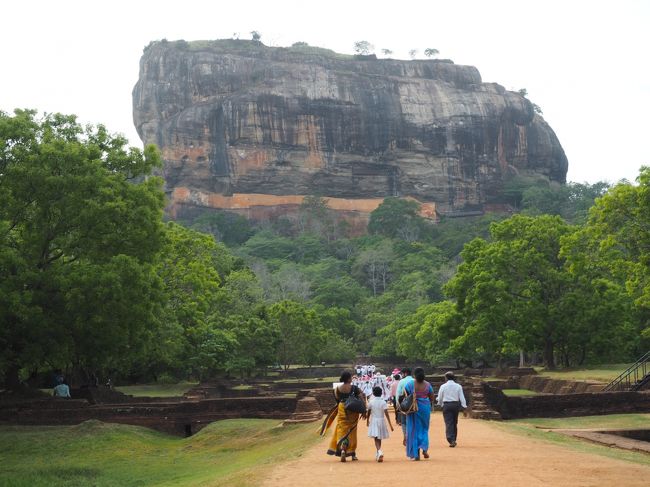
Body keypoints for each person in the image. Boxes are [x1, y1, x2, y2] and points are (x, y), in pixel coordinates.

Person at [322, 371, 367, 462]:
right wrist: (364, 409)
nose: (351, 379)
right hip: (352, 410)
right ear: (348, 379)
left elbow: (337, 400)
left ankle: (343, 448)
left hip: (342, 408)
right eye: (350, 377)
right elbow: (362, 395)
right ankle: (352, 454)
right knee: (352, 432)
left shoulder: (337, 389)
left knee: (342, 430)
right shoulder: (354, 388)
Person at [403, 367, 435, 460]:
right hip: (425, 408)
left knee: (413, 430)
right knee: (424, 429)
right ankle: (424, 449)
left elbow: (405, 395)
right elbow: (432, 397)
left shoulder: (410, 384)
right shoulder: (428, 385)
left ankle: (416, 454)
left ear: (414, 374)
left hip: (413, 408)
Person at [436, 371, 467, 447]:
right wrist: (464, 407)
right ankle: (454, 439)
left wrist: (439, 403)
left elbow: (440, 397)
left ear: (446, 378)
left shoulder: (443, 386)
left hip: (447, 405)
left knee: (449, 422)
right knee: (454, 422)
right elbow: (462, 397)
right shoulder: (458, 386)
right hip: (455, 405)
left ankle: (451, 439)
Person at [367, 386, 394, 462]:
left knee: (376, 437)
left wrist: (367, 420)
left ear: (373, 393)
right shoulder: (383, 402)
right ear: (381, 393)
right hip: (381, 420)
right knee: (379, 437)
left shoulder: (371, 402)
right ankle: (378, 452)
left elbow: (368, 412)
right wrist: (390, 424)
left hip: (374, 421)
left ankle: (379, 451)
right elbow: (386, 414)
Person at [395, 367, 414, 445]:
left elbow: (398, 394)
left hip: (404, 404)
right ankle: (412, 437)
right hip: (414, 404)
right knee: (413, 421)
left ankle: (405, 436)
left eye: (402, 374)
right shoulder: (414, 381)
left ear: (405, 373)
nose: (401, 375)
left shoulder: (402, 381)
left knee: (404, 421)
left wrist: (397, 404)